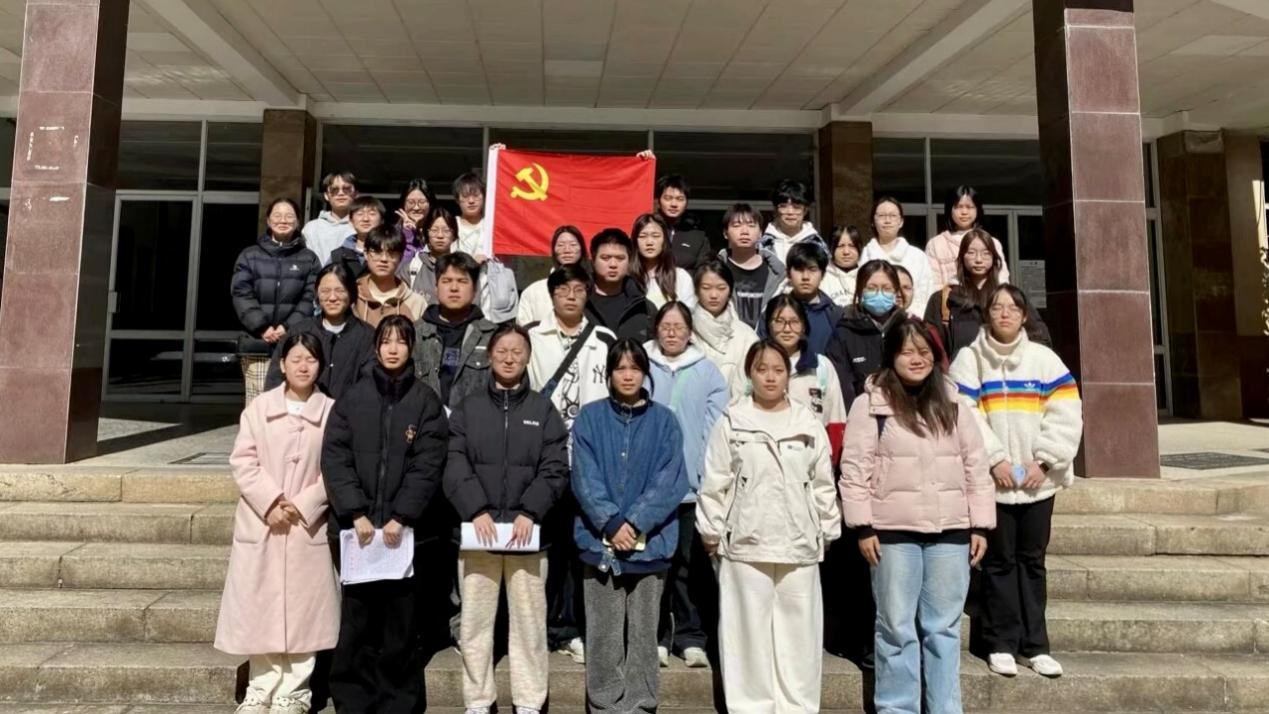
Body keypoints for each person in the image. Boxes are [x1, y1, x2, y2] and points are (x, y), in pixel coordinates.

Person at [839, 319, 995, 714]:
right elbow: (854, 470)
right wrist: (862, 526)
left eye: (924, 351)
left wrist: (980, 524)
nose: (916, 359)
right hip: (892, 534)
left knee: (943, 629)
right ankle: (897, 707)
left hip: (950, 532)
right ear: (891, 355)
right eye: (907, 351)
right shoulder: (870, 405)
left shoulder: (954, 402)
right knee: (895, 628)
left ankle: (945, 707)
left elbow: (976, 466)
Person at [697, 339, 841, 713]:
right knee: (746, 635)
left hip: (799, 543)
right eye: (762, 369)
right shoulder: (732, 421)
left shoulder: (807, 423)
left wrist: (828, 527)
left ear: (788, 375)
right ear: (750, 374)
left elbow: (823, 482)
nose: (770, 377)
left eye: (778, 370)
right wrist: (711, 528)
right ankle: (750, 707)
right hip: (746, 542)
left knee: (799, 636)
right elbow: (715, 481)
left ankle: (797, 706)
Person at [949, 285, 1082, 679]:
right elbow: (964, 413)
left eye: (1013, 307)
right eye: (997, 307)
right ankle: (1001, 643)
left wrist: (1045, 460)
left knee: (1032, 562)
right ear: (986, 314)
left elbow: (1066, 412)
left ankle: (1035, 645)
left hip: (1038, 483)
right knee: (999, 562)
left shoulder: (1045, 360)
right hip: (994, 484)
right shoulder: (970, 359)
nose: (1004, 313)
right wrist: (995, 460)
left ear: (1024, 315)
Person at [321, 315, 449, 714]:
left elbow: (428, 465)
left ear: (412, 348)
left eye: (401, 341)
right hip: (357, 533)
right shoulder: (352, 398)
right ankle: (354, 699)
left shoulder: (425, 402)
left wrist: (402, 516)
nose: (393, 349)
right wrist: (355, 512)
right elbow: (335, 458)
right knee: (357, 621)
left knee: (400, 624)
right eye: (386, 341)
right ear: (376, 348)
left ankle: (398, 702)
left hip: (405, 535)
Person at [444, 324, 570, 714]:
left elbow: (555, 468)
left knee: (529, 624)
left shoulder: (542, 410)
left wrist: (531, 511)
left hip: (526, 536)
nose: (509, 358)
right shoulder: (467, 409)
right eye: (502, 350)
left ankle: (529, 701)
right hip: (478, 535)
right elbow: (454, 462)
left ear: (528, 357)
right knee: (475, 625)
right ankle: (478, 700)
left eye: (517, 351)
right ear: (490, 356)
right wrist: (475, 509)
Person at [216, 332, 339, 714]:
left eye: (311, 360)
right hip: (262, 522)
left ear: (321, 366)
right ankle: (261, 687)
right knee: (261, 606)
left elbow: (337, 468)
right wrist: (269, 502)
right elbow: (243, 460)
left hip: (306, 524)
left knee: (305, 612)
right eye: (296, 359)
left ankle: (295, 692)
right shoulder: (259, 409)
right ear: (282, 364)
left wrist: (302, 504)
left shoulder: (332, 412)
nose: (303, 366)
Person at [571, 339, 689, 714]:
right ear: (608, 374)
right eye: (620, 368)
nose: (627, 375)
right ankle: (604, 703)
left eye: (635, 368)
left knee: (643, 633)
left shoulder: (665, 421)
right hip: (600, 541)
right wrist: (610, 521)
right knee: (603, 632)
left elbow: (671, 480)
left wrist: (635, 522)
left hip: (651, 543)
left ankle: (641, 704)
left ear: (645, 373)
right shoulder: (590, 418)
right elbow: (584, 476)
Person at [526, 264, 616, 665]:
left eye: (579, 289)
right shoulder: (532, 337)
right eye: (563, 290)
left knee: (582, 545)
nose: (571, 296)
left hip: (589, 461)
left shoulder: (603, 339)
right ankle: (543, 627)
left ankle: (575, 627)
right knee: (547, 546)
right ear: (552, 295)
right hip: (545, 460)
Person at [644, 302, 729, 669]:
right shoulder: (642, 364)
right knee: (654, 563)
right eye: (666, 326)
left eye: (679, 326)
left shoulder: (707, 371)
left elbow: (716, 431)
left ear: (690, 332)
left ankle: (691, 637)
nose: (672, 332)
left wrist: (704, 476)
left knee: (687, 566)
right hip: (649, 489)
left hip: (691, 488)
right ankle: (656, 636)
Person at [232, 197, 321, 405]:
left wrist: (287, 327)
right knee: (258, 403)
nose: (283, 220)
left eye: (289, 216)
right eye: (277, 215)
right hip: (258, 342)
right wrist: (262, 327)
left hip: (294, 343)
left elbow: (311, 297)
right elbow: (241, 293)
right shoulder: (250, 256)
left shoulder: (308, 258)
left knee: (293, 402)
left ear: (298, 221)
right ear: (268, 220)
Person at [925, 228, 1050, 361]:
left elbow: (1040, 338)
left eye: (986, 253)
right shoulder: (943, 299)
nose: (978, 259)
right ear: (961, 258)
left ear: (994, 258)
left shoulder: (1011, 297)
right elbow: (931, 346)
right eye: (971, 253)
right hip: (962, 371)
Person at [264, 262, 374, 400]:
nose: (332, 298)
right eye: (325, 291)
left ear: (351, 293)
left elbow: (371, 384)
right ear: (316, 293)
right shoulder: (300, 331)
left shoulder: (367, 336)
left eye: (340, 290)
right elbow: (275, 379)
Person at [763, 295, 847, 458]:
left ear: (803, 326)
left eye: (794, 322)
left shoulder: (821, 367)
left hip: (812, 460)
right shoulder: (755, 364)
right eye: (779, 321)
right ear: (768, 325)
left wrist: (832, 461)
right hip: (766, 459)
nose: (787, 329)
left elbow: (836, 419)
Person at [414, 251, 498, 410]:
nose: (454, 288)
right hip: (424, 422)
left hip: (473, 422)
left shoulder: (492, 336)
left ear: (475, 289)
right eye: (446, 281)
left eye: (462, 281)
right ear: (436, 287)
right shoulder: (415, 334)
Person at [825, 260, 907, 405]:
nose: (879, 294)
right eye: (871, 288)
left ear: (895, 292)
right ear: (860, 291)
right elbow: (841, 388)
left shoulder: (908, 328)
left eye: (886, 288)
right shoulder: (844, 332)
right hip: (861, 412)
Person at [690, 260, 759, 402]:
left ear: (730, 291)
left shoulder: (746, 336)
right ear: (696, 290)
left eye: (721, 288)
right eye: (706, 288)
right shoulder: (685, 332)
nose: (714, 295)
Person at [860, 196, 934, 317]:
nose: (887, 221)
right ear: (873, 221)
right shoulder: (863, 255)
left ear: (901, 222)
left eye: (893, 216)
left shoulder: (918, 256)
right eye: (881, 216)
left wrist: (910, 318)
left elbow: (926, 295)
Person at [767, 242, 841, 358]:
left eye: (812, 269)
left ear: (823, 274)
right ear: (788, 273)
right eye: (799, 269)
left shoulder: (835, 315)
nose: (805, 277)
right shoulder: (773, 312)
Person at [927, 186, 1010, 289]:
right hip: (951, 298)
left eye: (969, 207)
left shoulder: (992, 242)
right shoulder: (936, 244)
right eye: (958, 207)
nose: (964, 212)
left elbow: (1002, 279)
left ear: (978, 209)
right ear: (949, 209)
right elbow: (933, 285)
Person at [718, 202, 785, 331]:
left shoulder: (777, 273)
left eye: (751, 225)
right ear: (725, 233)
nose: (744, 232)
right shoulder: (716, 271)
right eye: (736, 225)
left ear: (760, 233)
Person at [585, 228, 657, 342]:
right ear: (593, 261)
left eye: (620, 258)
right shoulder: (580, 302)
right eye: (605, 258)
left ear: (629, 261)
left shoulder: (644, 308)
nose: (613, 264)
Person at [352, 225, 426, 327]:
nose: (384, 259)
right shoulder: (351, 297)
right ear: (365, 253)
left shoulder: (416, 303)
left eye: (391, 253)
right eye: (377, 252)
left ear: (401, 257)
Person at [518, 225, 589, 326]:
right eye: (560, 245)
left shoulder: (592, 288)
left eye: (573, 245)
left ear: (582, 249)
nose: (567, 250)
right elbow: (523, 328)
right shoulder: (534, 291)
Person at [633, 212, 696, 310]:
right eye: (643, 236)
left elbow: (688, 313)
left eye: (655, 236)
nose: (649, 242)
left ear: (665, 240)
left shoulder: (680, 277)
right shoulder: (627, 278)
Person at [654, 173, 712, 271]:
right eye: (668, 198)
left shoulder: (698, 237)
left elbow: (705, 272)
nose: (674, 204)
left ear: (687, 202)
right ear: (658, 201)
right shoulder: (647, 230)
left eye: (680, 199)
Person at [760, 179, 826, 264]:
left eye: (796, 207)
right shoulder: (763, 244)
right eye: (783, 206)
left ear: (805, 210)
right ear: (775, 209)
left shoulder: (817, 244)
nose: (790, 212)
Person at [302, 171, 357, 266]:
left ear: (356, 194)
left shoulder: (363, 226)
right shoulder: (311, 228)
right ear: (326, 195)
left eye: (346, 189)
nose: (341, 193)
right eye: (334, 190)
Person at [407, 206, 459, 305]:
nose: (440, 236)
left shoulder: (463, 267)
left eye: (446, 231)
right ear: (426, 234)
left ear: (454, 235)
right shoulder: (411, 267)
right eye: (434, 230)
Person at [329, 195, 386, 280]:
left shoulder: (390, 253)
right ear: (351, 220)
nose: (365, 219)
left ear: (382, 220)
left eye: (372, 214)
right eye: (360, 214)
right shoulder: (338, 255)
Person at [395, 178, 437, 269]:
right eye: (411, 202)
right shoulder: (393, 233)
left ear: (430, 204)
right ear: (403, 203)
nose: (416, 207)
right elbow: (400, 268)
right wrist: (408, 234)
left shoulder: (438, 231)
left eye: (422, 202)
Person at [823, 225, 863, 307]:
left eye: (851, 246)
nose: (846, 252)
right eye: (840, 246)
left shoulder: (867, 275)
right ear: (831, 248)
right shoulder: (822, 277)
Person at [454, 172, 487, 259]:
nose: (471, 201)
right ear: (457, 199)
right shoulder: (451, 225)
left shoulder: (490, 226)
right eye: (465, 196)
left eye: (476, 195)